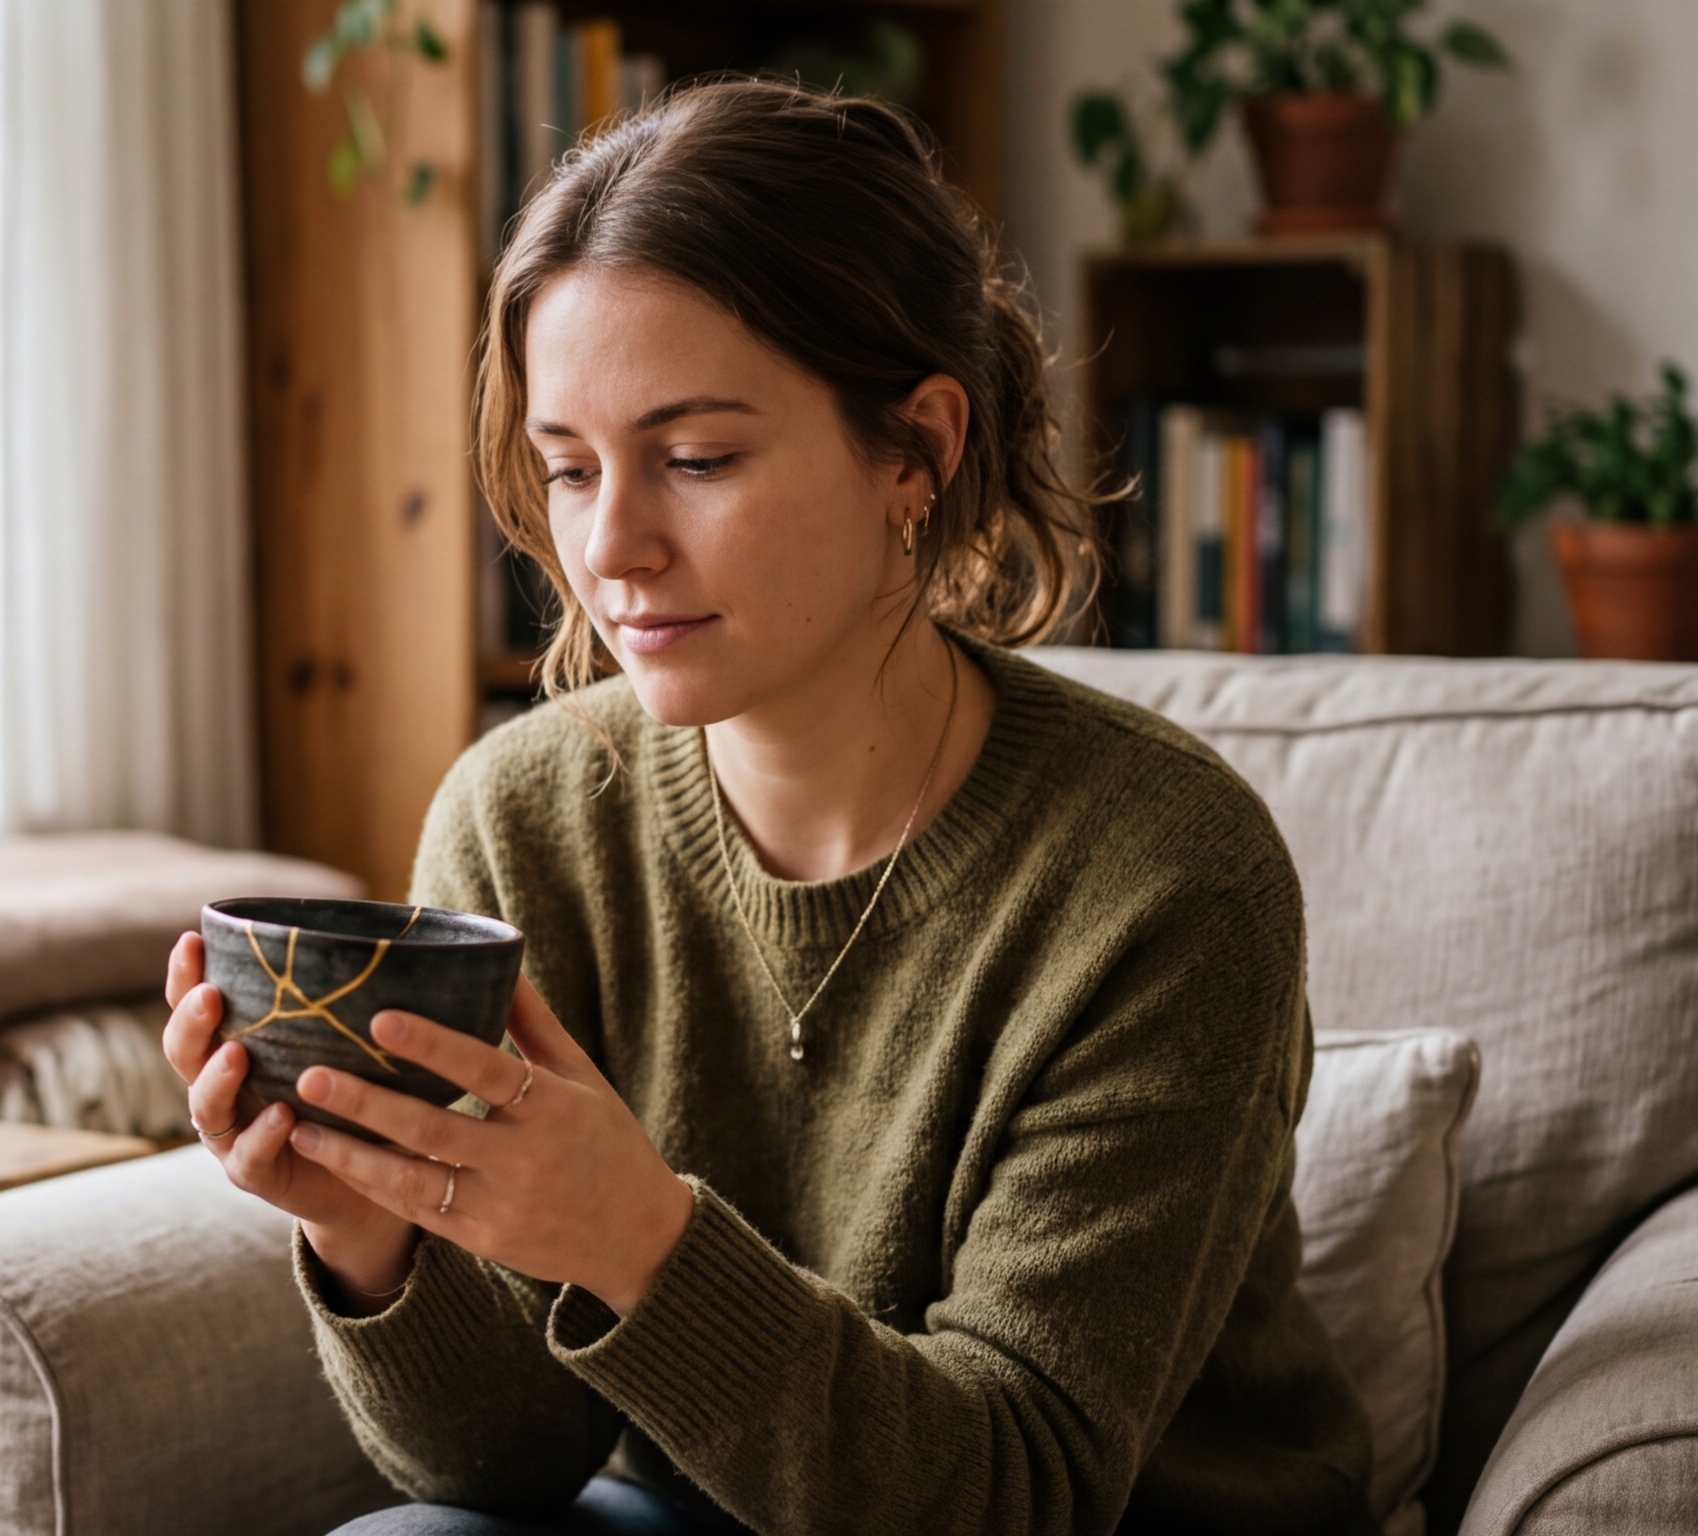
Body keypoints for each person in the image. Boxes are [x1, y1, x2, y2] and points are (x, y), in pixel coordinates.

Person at [161, 80, 1378, 1536]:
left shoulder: (1166, 875)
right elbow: (501, 1475)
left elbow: (1021, 1493)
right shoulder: (521, 821)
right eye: (570, 468)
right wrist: (373, 1233)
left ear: (916, 450)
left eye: (698, 459)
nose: (612, 547)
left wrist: (641, 1239)